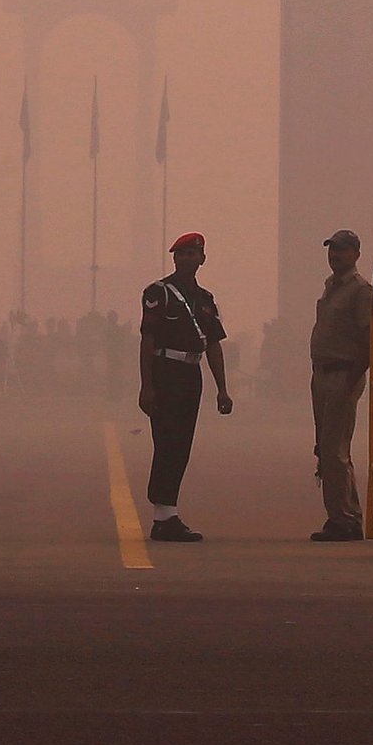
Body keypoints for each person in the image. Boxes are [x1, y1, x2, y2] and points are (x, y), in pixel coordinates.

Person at [136, 231, 231, 543]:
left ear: (202, 259)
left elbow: (214, 345)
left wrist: (222, 389)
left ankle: (168, 512)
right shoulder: (158, 293)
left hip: (191, 374)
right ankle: (163, 515)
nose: (187, 259)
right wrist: (146, 386)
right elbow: (147, 341)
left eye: (192, 254)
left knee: (181, 444)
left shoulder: (205, 300)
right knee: (166, 442)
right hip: (165, 372)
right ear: (175, 258)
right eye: (181, 254)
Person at [308, 228, 373, 541]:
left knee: (335, 449)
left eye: (342, 250)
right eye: (332, 250)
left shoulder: (361, 291)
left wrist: (352, 377)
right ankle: (342, 514)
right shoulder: (331, 287)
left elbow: (369, 339)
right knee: (326, 447)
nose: (335, 255)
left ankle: (344, 520)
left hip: (342, 374)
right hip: (322, 374)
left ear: (356, 254)